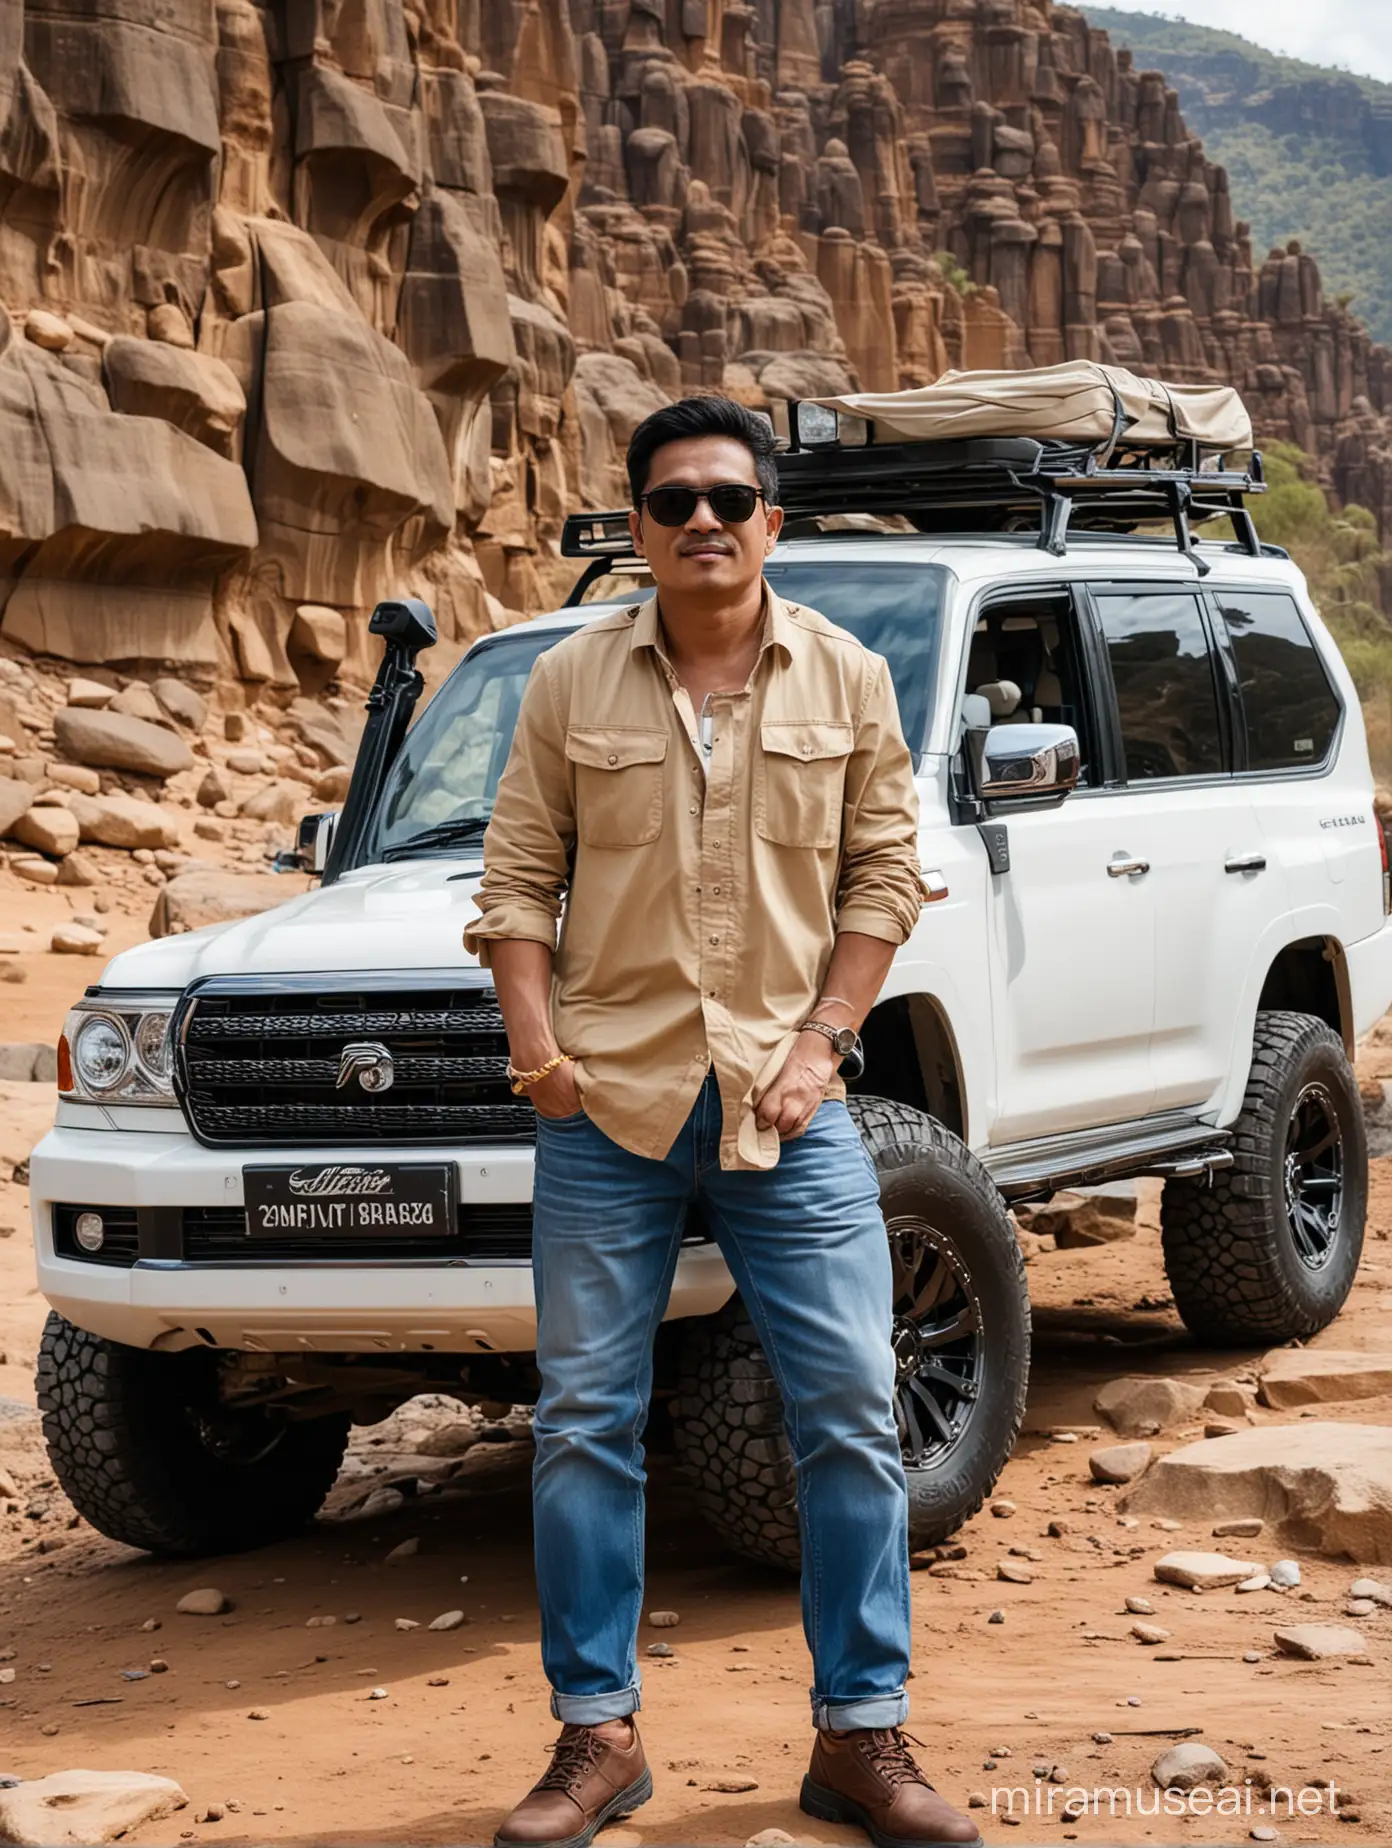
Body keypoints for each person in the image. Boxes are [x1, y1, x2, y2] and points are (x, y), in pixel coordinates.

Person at [464, 395, 981, 1848]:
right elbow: (515, 883)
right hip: (603, 1110)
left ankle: (861, 1742)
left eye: (729, 498)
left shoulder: (850, 677)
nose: (703, 520)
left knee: (851, 1422)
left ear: (773, 521)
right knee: (581, 1424)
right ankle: (597, 1739)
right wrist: (539, 1056)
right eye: (673, 499)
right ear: (637, 525)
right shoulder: (569, 681)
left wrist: (824, 1043)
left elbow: (886, 877)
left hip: (788, 1105)